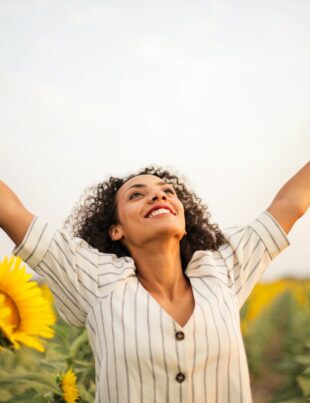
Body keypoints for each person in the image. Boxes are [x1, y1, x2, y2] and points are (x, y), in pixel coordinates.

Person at [0, 162, 309, 403]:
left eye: (167, 191)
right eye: (136, 194)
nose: (158, 195)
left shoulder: (222, 271)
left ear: (185, 221)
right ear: (115, 230)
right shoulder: (95, 280)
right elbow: (11, 211)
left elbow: (289, 203)